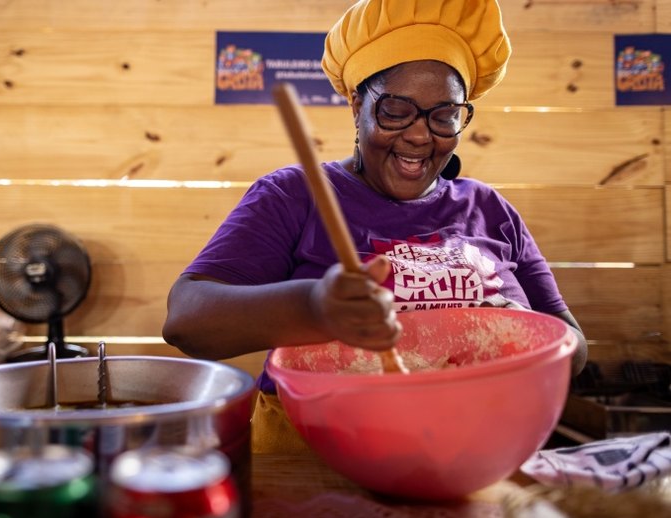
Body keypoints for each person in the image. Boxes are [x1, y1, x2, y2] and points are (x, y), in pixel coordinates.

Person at [162, 0, 588, 453]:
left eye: (444, 115)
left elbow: (574, 349)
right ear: (357, 105)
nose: (420, 135)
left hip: (473, 453)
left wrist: (519, 332)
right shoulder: (296, 195)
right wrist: (314, 308)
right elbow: (187, 320)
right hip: (317, 462)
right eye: (396, 110)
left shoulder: (489, 208)